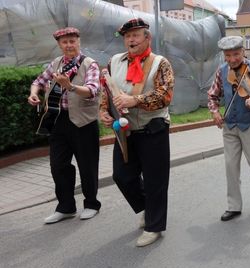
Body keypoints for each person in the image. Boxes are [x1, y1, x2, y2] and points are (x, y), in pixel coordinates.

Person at [99, 18, 174, 247]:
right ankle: (149, 208)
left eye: (135, 35)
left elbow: (165, 95)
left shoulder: (160, 63)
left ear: (147, 38)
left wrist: (135, 100)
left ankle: (154, 226)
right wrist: (104, 111)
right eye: (127, 36)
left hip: (154, 129)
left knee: (155, 182)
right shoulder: (114, 61)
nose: (130, 40)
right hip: (125, 131)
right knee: (122, 176)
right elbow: (107, 91)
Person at [27, 27, 102, 224]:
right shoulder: (55, 64)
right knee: (58, 165)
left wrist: (69, 86)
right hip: (59, 120)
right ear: (59, 45)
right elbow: (39, 81)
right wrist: (34, 93)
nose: (69, 45)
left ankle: (92, 204)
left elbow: (92, 91)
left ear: (79, 41)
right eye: (64, 42)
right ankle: (66, 207)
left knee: (87, 165)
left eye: (72, 41)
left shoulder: (89, 64)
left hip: (84, 122)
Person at [207, 36, 250, 222]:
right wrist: (214, 112)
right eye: (228, 55)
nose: (232, 59)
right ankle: (234, 206)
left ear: (243, 52)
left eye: (236, 54)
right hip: (230, 125)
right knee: (230, 166)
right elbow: (212, 95)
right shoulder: (221, 71)